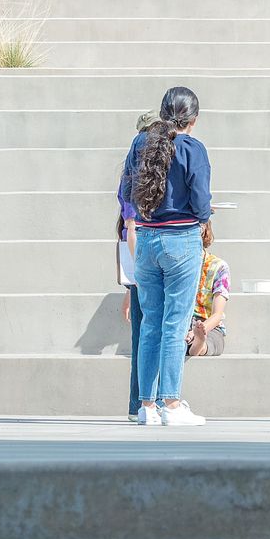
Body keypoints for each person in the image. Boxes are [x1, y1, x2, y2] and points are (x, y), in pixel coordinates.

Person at [120, 86, 212, 426]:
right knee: (175, 324)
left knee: (151, 326)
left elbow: (130, 191)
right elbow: (201, 198)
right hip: (181, 239)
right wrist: (203, 217)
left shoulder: (139, 144)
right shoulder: (192, 148)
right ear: (194, 119)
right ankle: (171, 404)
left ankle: (147, 406)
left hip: (145, 239)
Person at [118, 109, 158, 421]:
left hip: (139, 259)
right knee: (148, 333)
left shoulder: (132, 175)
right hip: (144, 256)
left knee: (143, 335)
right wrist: (141, 273)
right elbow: (132, 227)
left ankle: (139, 404)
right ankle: (145, 402)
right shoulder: (141, 167)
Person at [187, 222, 229, 357]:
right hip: (182, 323)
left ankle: (200, 344)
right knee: (176, 340)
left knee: (215, 342)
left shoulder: (218, 266)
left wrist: (199, 330)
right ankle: (195, 345)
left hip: (209, 326)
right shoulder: (174, 267)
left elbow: (217, 315)